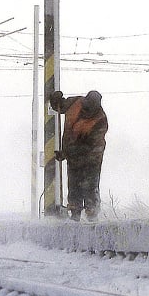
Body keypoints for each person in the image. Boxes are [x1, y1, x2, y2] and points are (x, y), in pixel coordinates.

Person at [49, 90, 108, 221]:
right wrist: (56, 100)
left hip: (92, 159)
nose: (86, 110)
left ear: (97, 108)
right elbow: (60, 106)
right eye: (85, 106)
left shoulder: (100, 120)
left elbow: (90, 147)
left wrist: (67, 153)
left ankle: (92, 216)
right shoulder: (75, 103)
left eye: (90, 109)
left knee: (90, 186)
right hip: (73, 157)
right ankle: (74, 214)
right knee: (74, 186)